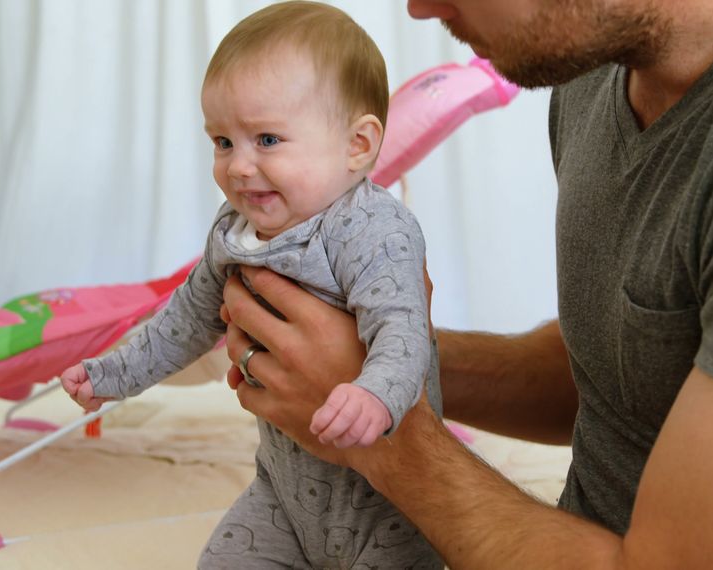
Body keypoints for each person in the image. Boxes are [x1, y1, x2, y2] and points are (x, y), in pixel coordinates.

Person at [221, 0, 713, 567]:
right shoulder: (598, 73)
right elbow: (627, 366)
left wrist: (385, 439)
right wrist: (372, 359)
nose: (421, 5)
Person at [59, 2, 443, 568]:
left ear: (357, 145)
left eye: (266, 140)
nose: (238, 167)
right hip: (283, 497)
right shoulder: (235, 231)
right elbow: (186, 318)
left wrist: (375, 394)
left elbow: (404, 329)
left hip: (388, 506)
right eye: (222, 142)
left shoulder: (374, 230)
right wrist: (115, 373)